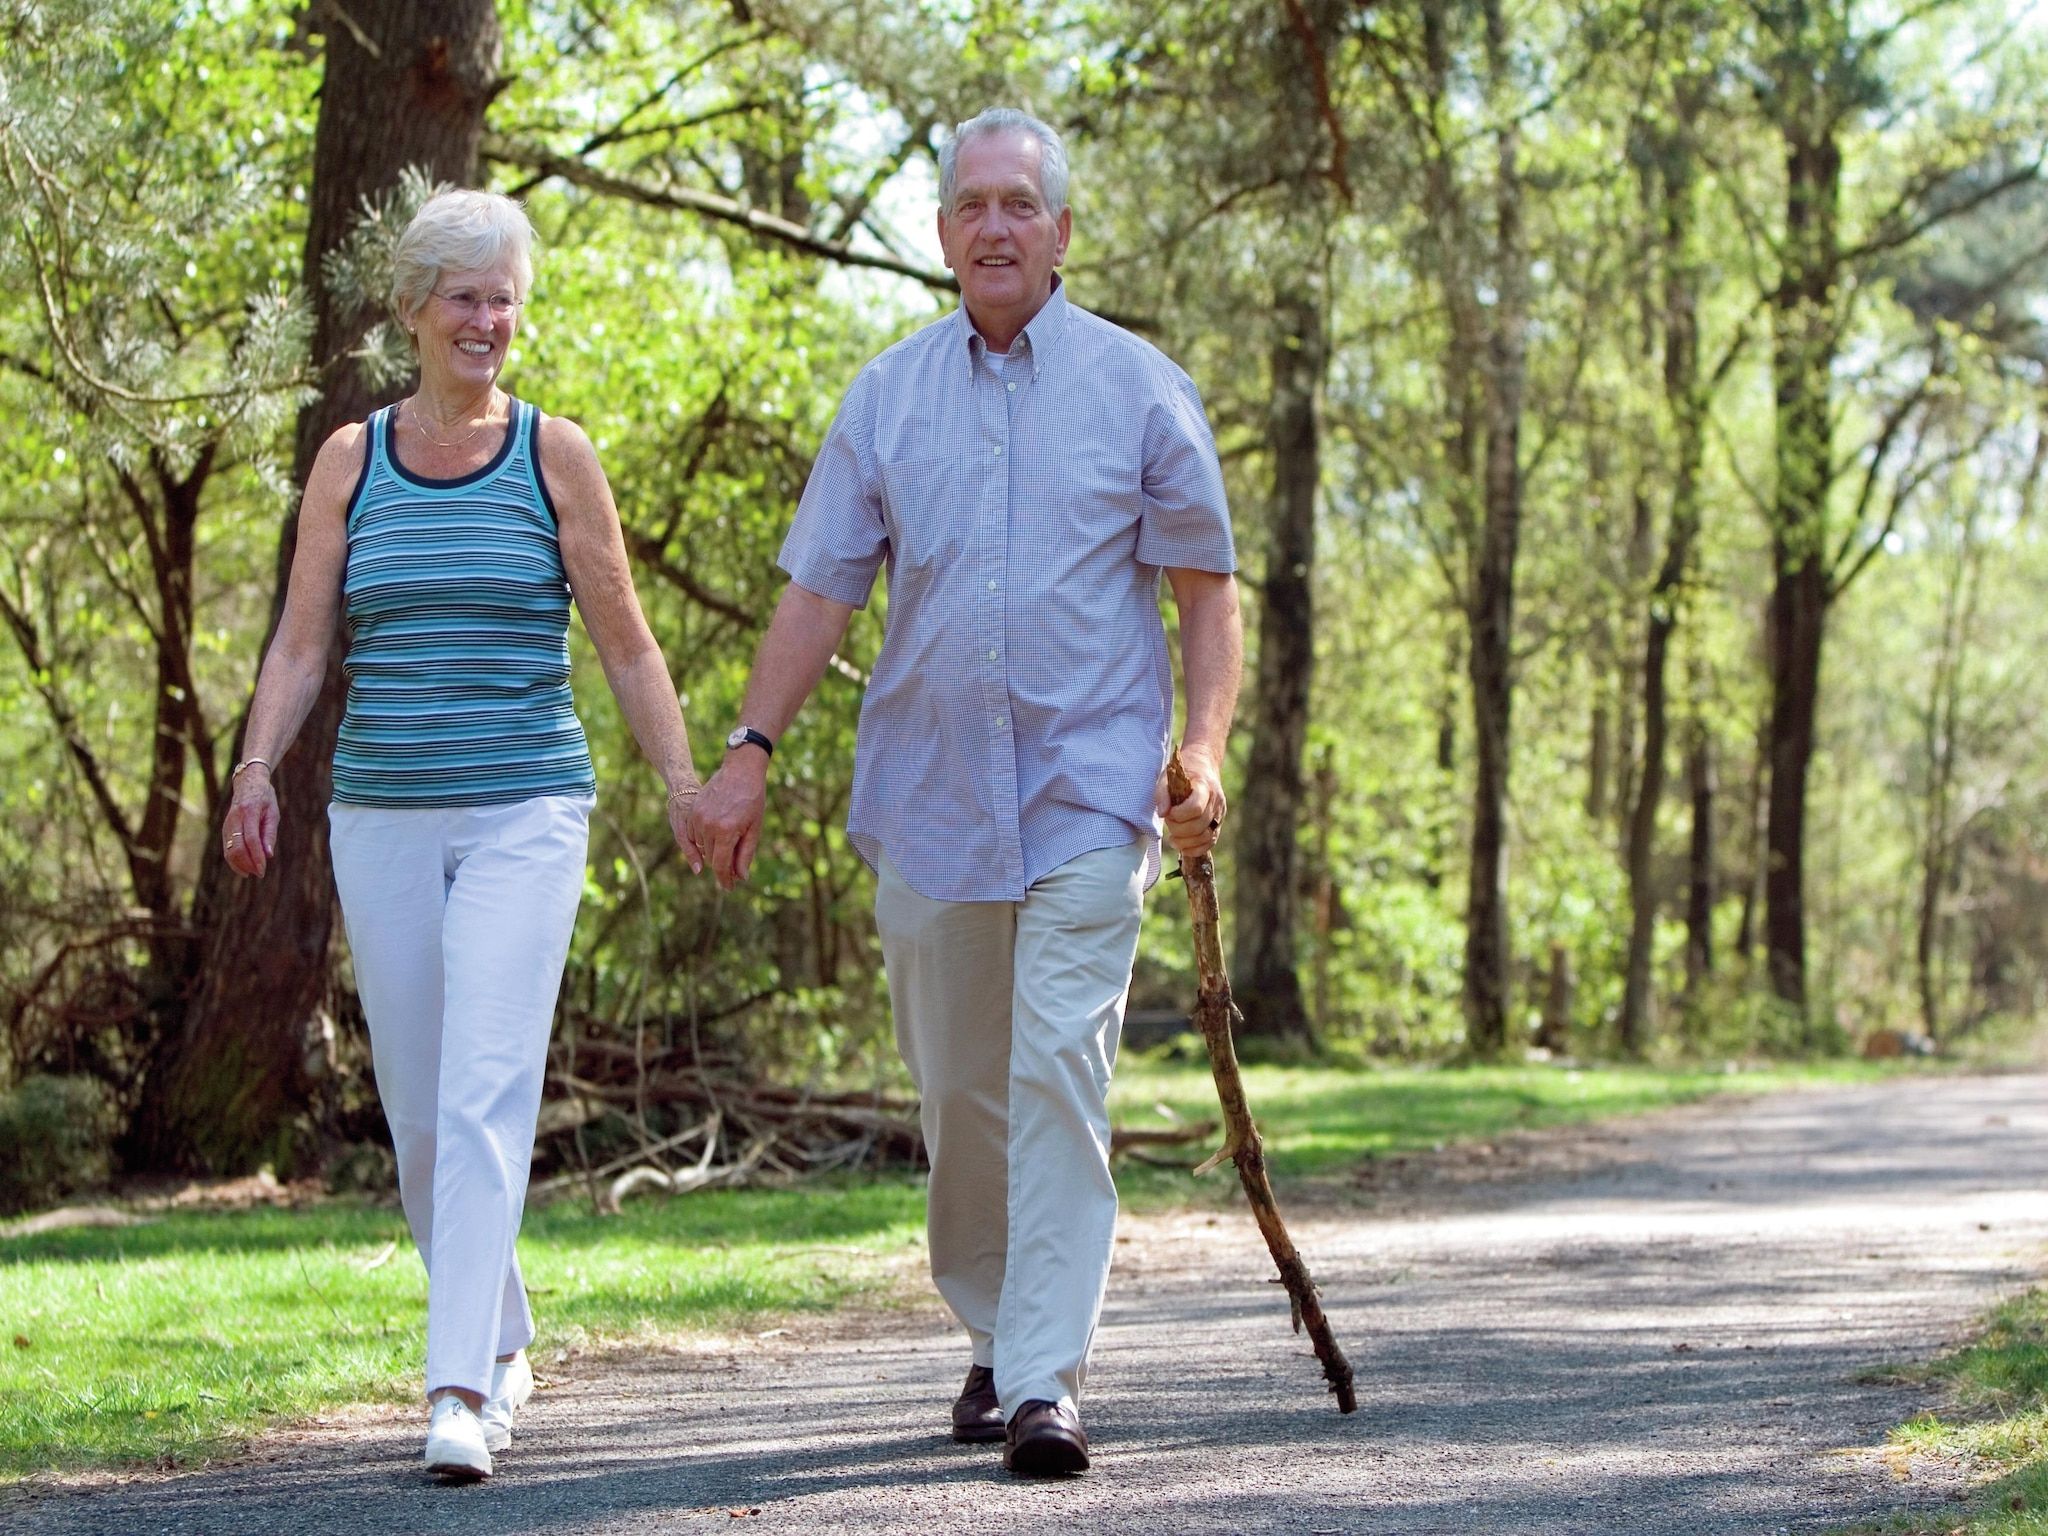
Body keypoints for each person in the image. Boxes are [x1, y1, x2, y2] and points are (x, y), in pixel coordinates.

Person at [686, 107, 1242, 1477]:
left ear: (1061, 230)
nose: (995, 227)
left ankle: (1047, 1376)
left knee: (1058, 1067)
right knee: (961, 1098)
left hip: (1089, 788)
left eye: (1019, 204)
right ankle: (994, 1335)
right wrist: (748, 751)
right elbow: (820, 592)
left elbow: (1205, 591)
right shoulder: (885, 398)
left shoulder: (1139, 386)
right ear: (941, 235)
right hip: (930, 796)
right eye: (971, 206)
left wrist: (1210, 749)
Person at [219, 189, 702, 1481]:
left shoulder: (557, 457)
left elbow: (626, 640)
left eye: (505, 298)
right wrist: (258, 764)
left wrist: (684, 782)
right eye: (465, 297)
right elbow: (305, 641)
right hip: (379, 811)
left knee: (488, 1087)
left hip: (526, 810)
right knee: (425, 1116)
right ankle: (503, 1335)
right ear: (415, 311)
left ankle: (456, 1394)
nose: (488, 320)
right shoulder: (349, 461)